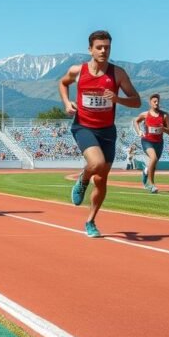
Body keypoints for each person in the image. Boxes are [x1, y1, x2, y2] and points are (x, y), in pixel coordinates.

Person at [60, 30, 141, 237]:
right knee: (96, 164)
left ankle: (91, 221)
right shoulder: (78, 70)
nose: (104, 51)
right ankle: (83, 179)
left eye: (107, 47)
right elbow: (62, 83)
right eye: (99, 47)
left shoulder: (118, 74)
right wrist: (67, 102)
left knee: (102, 180)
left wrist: (117, 99)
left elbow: (137, 101)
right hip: (84, 126)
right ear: (90, 49)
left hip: (107, 131)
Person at [133, 93, 169, 194]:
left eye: (158, 101)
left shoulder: (164, 116)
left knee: (153, 165)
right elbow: (135, 121)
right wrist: (139, 131)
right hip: (147, 141)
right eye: (154, 101)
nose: (157, 103)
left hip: (159, 143)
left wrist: (163, 128)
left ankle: (146, 171)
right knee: (153, 158)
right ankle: (151, 184)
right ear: (150, 103)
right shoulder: (145, 114)